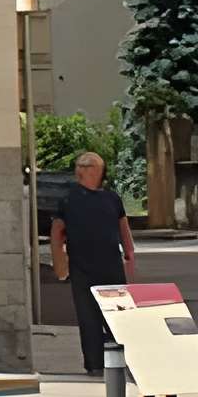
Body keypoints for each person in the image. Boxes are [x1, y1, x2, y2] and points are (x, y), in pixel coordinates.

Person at [45, 150, 136, 378]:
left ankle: (123, 362)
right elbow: (57, 233)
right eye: (80, 166)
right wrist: (60, 266)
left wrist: (130, 255)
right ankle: (94, 364)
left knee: (118, 316)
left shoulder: (112, 198)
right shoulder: (68, 200)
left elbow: (123, 228)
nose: (82, 169)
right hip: (82, 268)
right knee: (88, 319)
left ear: (98, 171)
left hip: (111, 266)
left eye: (87, 166)